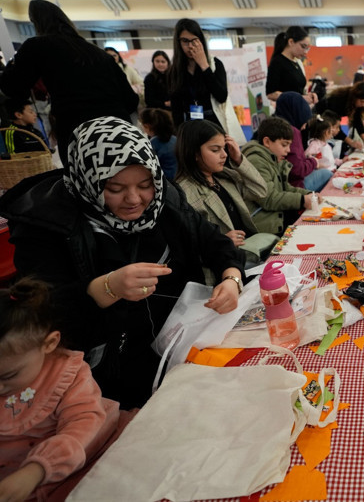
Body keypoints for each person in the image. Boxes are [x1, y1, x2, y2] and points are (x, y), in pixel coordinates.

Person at [0, 116, 243, 409]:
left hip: (180, 348)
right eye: (115, 189)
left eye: (145, 185)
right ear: (88, 180)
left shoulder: (164, 201)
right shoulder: (46, 227)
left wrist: (231, 278)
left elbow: (212, 241)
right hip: (109, 381)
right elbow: (45, 313)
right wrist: (107, 288)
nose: (134, 199)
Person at [0, 278, 125, 501]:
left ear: (49, 343)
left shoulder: (67, 375)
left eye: (8, 376)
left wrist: (36, 470)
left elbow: (81, 426)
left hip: (82, 460)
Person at [0, 0, 138, 163]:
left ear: (36, 22)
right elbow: (131, 100)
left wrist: (11, 65)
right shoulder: (97, 53)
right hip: (119, 132)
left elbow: (12, 87)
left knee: (82, 178)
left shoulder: (37, 46)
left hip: (78, 134)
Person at [175, 119, 275, 266]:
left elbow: (260, 191)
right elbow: (187, 245)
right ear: (194, 152)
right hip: (227, 263)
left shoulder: (224, 177)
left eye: (224, 148)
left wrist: (239, 159)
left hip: (251, 251)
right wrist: (221, 241)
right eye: (215, 150)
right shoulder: (184, 192)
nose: (224, 155)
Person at [168, 18, 241, 139]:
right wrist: (180, 135)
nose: (190, 46)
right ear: (178, 42)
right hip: (190, 127)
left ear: (201, 41)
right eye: (185, 41)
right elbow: (176, 110)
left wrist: (204, 66)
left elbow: (221, 96)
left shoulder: (215, 64)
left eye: (194, 40)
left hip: (214, 125)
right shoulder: (174, 71)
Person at [242, 116, 314, 236]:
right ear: (267, 142)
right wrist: (302, 200)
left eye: (289, 145)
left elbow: (285, 188)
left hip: (276, 218)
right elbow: (269, 198)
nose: (288, 150)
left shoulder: (272, 158)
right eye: (284, 145)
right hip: (266, 226)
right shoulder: (257, 161)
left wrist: (308, 194)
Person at [274, 92, 332, 191]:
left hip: (278, 184)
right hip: (292, 186)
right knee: (328, 174)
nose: (305, 126)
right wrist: (314, 162)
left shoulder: (272, 126)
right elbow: (297, 170)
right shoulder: (292, 132)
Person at [265, 26, 315, 106]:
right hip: (287, 111)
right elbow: (271, 94)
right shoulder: (277, 62)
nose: (305, 52)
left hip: (299, 109)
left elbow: (297, 91)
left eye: (307, 48)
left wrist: (308, 96)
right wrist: (300, 98)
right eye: (303, 46)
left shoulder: (296, 63)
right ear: (291, 42)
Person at [325, 81, 364, 154]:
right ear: (355, 97)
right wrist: (351, 142)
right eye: (362, 101)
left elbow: (357, 121)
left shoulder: (356, 103)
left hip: (332, 122)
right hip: (324, 120)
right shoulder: (338, 100)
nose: (363, 104)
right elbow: (335, 128)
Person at [139, 107, 177, 179]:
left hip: (165, 180)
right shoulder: (175, 139)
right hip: (179, 177)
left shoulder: (153, 143)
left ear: (147, 126)